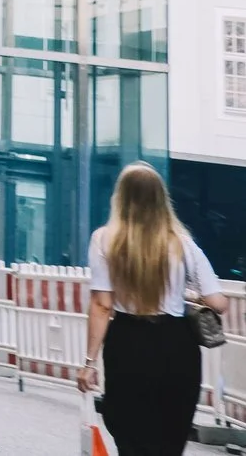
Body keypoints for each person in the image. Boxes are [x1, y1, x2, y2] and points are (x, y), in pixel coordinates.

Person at [80, 162, 227, 456]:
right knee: (169, 439)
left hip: (128, 343)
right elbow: (218, 303)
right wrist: (188, 296)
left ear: (120, 198)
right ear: (162, 200)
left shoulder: (104, 240)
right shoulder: (183, 245)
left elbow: (102, 304)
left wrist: (89, 363)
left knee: (130, 434)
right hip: (177, 346)